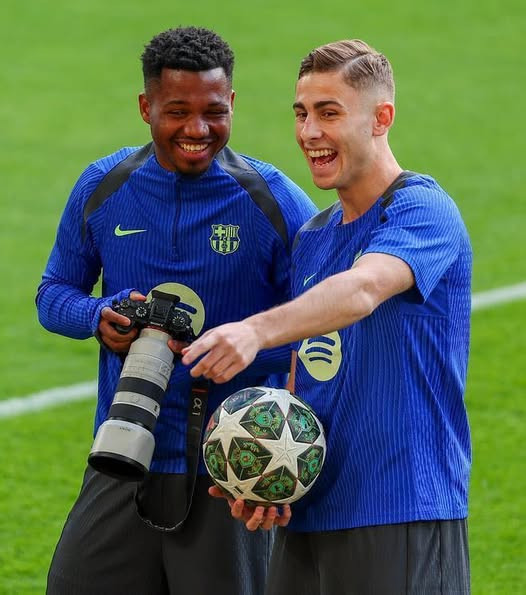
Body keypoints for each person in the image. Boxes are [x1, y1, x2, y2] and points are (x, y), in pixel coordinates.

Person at [182, 39, 472, 594]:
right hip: (310, 516)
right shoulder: (313, 237)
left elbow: (363, 289)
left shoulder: (421, 209)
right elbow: (307, 375)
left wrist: (255, 330)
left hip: (399, 508)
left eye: (329, 113)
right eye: (301, 113)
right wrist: (270, 472)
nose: (309, 132)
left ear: (381, 118)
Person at [36, 26, 317, 595]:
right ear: (146, 108)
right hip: (124, 451)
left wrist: (244, 348)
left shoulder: (274, 200)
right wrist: (100, 318)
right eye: (177, 112)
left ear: (232, 103)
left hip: (231, 467)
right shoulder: (105, 186)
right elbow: (53, 294)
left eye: (214, 112)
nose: (197, 129)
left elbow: (323, 332)